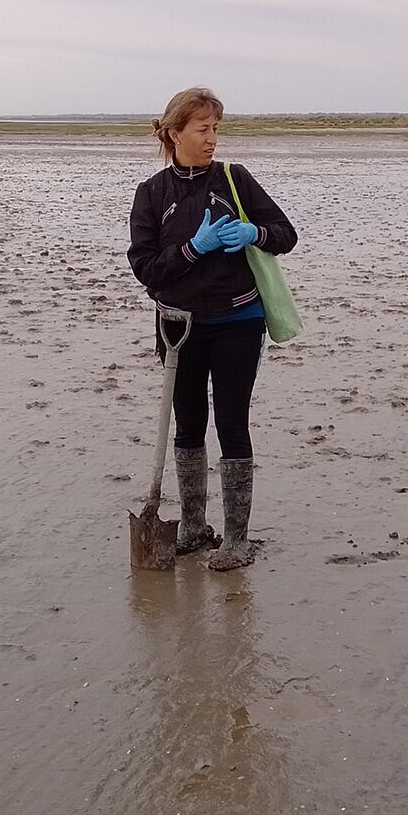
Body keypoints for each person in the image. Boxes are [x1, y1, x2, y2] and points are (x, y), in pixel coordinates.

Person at [127, 87, 297, 571]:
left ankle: (237, 539)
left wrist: (254, 233)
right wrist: (193, 248)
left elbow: (285, 234)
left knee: (232, 423)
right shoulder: (152, 193)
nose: (212, 139)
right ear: (174, 132)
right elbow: (146, 269)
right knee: (188, 426)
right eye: (203, 129)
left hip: (238, 322)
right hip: (178, 327)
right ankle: (193, 527)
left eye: (216, 129)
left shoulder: (234, 179)